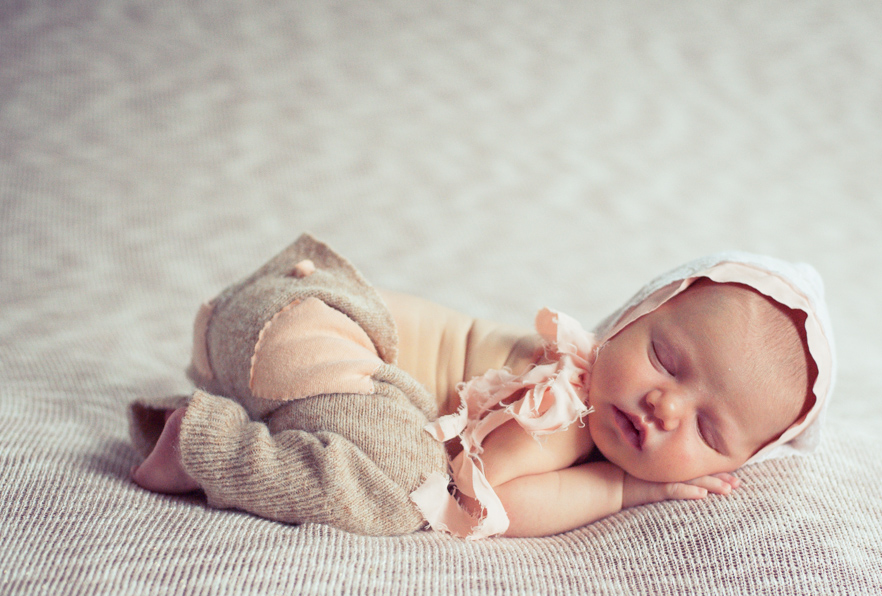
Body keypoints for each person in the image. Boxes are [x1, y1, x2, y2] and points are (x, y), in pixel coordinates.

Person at [129, 233, 835, 539]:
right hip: (313, 320)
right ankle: (200, 445)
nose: (665, 405)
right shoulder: (566, 397)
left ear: (732, 468)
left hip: (289, 327)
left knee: (385, 432)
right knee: (410, 487)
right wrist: (623, 489)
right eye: (665, 359)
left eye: (708, 430)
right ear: (627, 317)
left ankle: (220, 418)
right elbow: (487, 493)